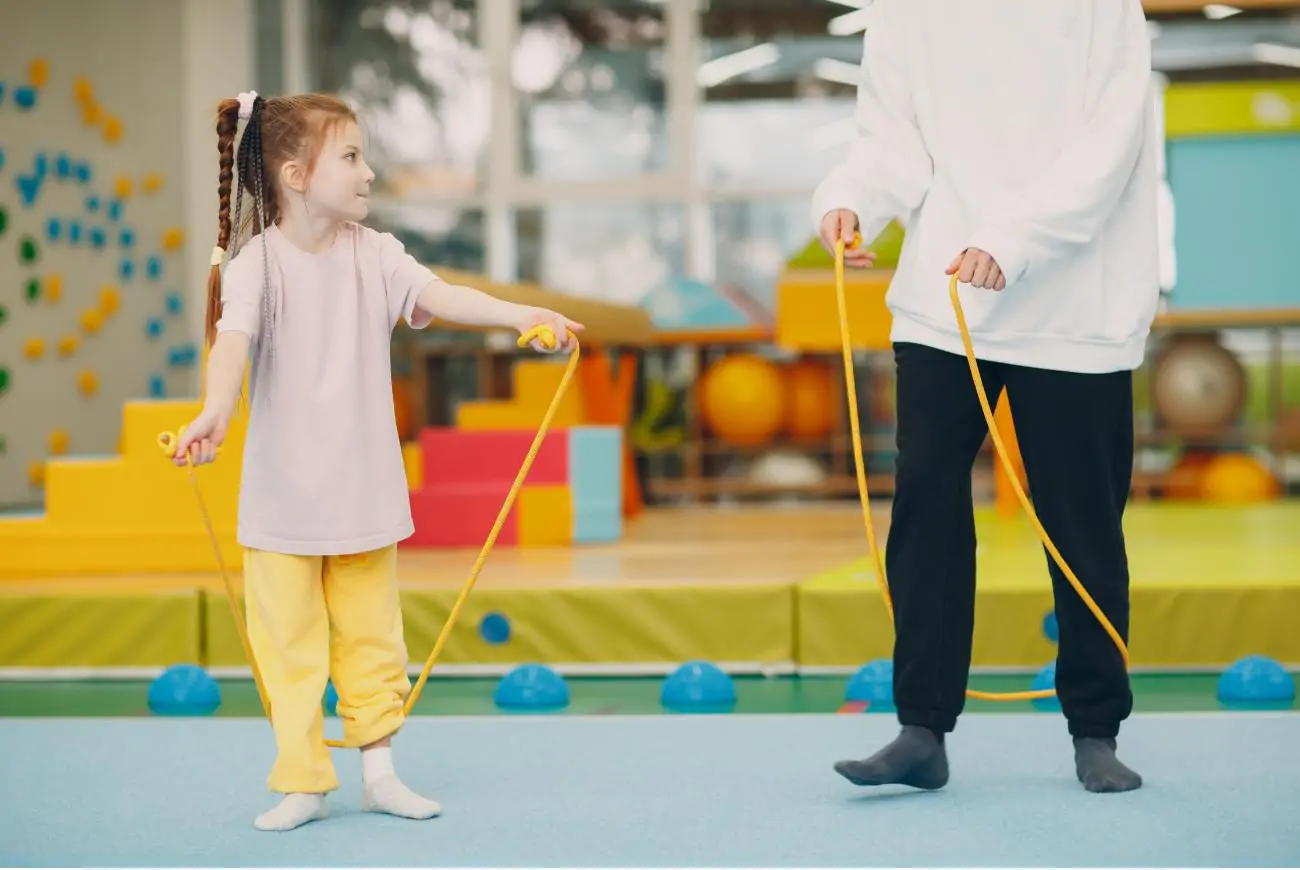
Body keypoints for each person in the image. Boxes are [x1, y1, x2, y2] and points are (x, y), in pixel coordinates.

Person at [173, 91, 582, 831]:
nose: (368, 173)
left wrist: (524, 315)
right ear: (296, 175)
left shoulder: (378, 254)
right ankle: (302, 781)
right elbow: (230, 345)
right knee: (289, 649)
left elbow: (443, 294)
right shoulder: (256, 266)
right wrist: (213, 411)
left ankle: (380, 772)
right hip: (282, 503)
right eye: (352, 157)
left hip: (361, 494)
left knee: (372, 639)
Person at [812, 0, 1158, 794]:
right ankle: (921, 728)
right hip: (943, 302)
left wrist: (1015, 238)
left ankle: (1095, 731)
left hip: (1076, 306)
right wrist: (852, 200)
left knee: (1082, 524)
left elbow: (1111, 144)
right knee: (926, 510)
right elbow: (890, 140)